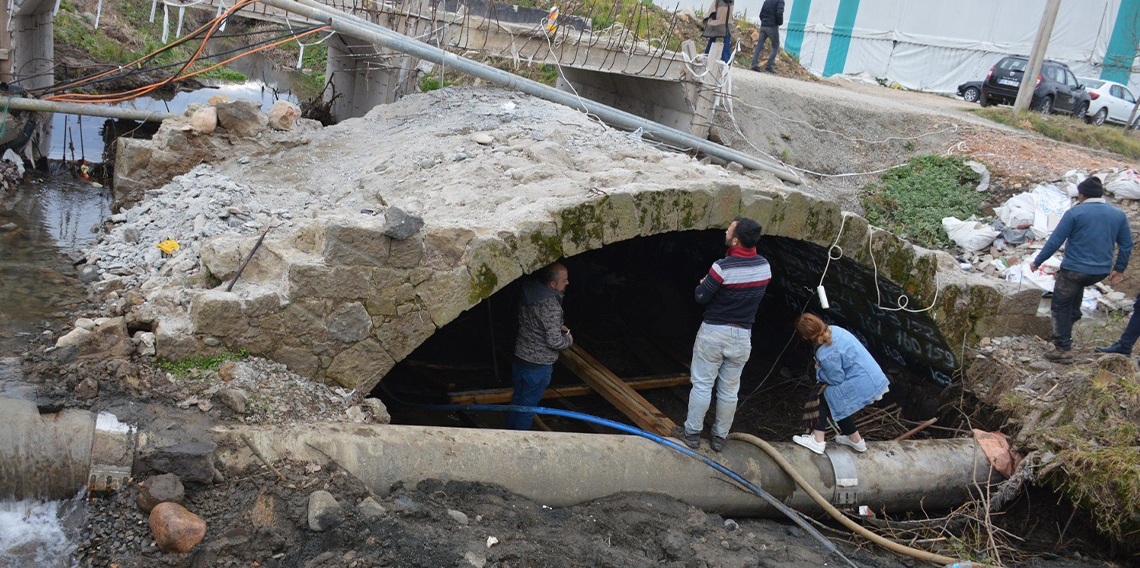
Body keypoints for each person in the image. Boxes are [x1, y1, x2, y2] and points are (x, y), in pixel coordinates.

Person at [673, 217, 770, 452]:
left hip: (714, 333)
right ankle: (719, 437)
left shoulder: (722, 267)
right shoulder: (764, 267)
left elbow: (700, 297)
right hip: (742, 336)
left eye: (729, 229)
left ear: (735, 240)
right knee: (729, 390)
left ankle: (692, 433)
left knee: (703, 384)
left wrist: (705, 283)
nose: (725, 231)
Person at [1031, 177, 1132, 361]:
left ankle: (1062, 349)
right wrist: (1119, 269)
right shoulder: (1118, 214)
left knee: (1060, 305)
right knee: (1073, 300)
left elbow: (1055, 240)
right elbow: (1126, 245)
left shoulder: (1075, 212)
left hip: (1074, 270)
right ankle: (1067, 331)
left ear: (1082, 195)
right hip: (1100, 271)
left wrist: (1037, 261)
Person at [791, 314, 889, 455]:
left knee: (823, 396)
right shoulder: (836, 330)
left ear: (806, 337)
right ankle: (856, 441)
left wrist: (819, 369)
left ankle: (818, 441)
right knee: (837, 399)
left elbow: (836, 379)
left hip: (863, 382)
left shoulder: (824, 353)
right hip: (874, 377)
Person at [507, 263, 572, 430]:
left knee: (517, 400)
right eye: (564, 280)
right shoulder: (551, 305)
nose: (568, 283)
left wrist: (557, 325)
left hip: (521, 358)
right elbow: (554, 342)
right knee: (528, 409)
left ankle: (507, 433)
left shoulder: (530, 292)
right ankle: (517, 442)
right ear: (552, 284)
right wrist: (568, 340)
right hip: (537, 365)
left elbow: (536, 322)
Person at [751, 0, 784, 73]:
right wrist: (779, 23)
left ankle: (754, 64)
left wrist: (764, 21)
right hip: (772, 26)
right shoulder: (780, 1)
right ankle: (769, 66)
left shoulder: (766, 1)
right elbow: (779, 13)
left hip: (763, 25)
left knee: (759, 45)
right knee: (776, 46)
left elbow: (761, 14)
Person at [702, 0, 734, 64]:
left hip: (726, 25)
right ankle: (706, 56)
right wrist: (715, 16)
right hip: (717, 24)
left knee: (726, 41)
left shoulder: (731, 1)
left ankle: (726, 60)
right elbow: (713, 9)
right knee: (712, 39)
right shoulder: (718, 0)